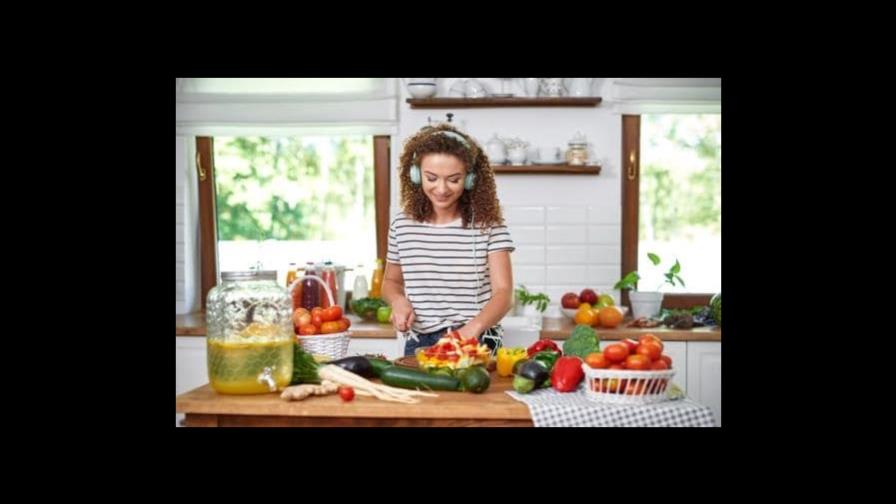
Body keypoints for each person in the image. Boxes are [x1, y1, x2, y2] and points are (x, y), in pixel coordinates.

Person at [381, 122, 515, 357]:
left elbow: (504, 293)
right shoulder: (402, 225)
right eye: (431, 178)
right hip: (420, 341)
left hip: (477, 338)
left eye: (454, 179)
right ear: (415, 175)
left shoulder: (488, 226)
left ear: (470, 179)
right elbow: (390, 282)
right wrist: (398, 302)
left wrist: (470, 330)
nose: (441, 189)